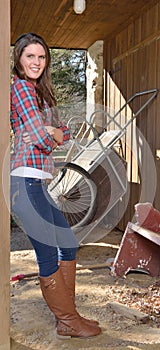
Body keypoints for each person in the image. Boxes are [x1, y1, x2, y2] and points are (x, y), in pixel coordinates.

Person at [10, 32, 101, 339]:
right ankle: (68, 320)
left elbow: (59, 134)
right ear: (19, 59)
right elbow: (42, 139)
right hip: (24, 183)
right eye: (29, 56)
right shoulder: (21, 88)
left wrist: (49, 129)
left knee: (69, 244)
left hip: (38, 184)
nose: (36, 62)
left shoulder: (41, 92)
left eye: (41, 57)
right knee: (48, 253)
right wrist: (49, 133)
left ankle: (69, 317)